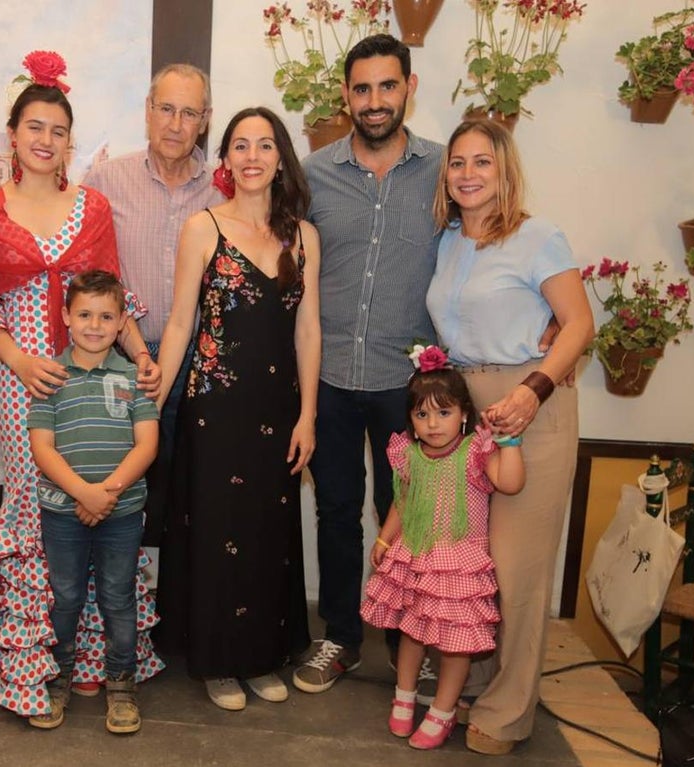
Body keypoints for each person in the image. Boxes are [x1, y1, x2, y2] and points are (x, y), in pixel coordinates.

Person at [0, 52, 163, 717]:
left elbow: (115, 293)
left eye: (58, 130)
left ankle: (99, 662)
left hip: (99, 378)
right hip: (28, 383)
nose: (46, 140)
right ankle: (33, 661)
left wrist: (141, 357)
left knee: (103, 503)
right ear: (12, 135)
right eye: (34, 127)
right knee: (38, 509)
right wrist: (17, 359)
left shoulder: (93, 206)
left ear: (69, 140)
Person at [426, 119, 594, 755]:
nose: (468, 174)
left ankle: (508, 711)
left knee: (519, 571)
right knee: (476, 564)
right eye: (458, 163)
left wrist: (533, 390)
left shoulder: (539, 236)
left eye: (482, 163)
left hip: (534, 410)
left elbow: (578, 325)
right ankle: (484, 681)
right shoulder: (446, 243)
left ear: (505, 171)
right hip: (469, 414)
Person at [156, 106, 320, 711]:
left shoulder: (304, 236)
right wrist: (153, 400)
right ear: (225, 160)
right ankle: (219, 662)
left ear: (281, 158)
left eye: (265, 145)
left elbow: (309, 331)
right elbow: (179, 323)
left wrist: (308, 416)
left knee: (267, 532)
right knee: (218, 530)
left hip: (279, 410)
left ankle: (260, 656)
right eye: (240, 146)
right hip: (214, 408)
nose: (252, 156)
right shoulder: (203, 228)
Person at [295, 33, 443, 697]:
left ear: (409, 88)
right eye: (362, 88)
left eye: (388, 86)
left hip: (408, 387)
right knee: (335, 509)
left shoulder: (445, 171)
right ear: (346, 96)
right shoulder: (313, 174)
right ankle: (341, 637)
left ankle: (412, 640)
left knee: (407, 513)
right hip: (327, 377)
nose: (375, 101)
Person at [83, 63, 224, 545]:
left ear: (205, 119)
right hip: (120, 358)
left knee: (190, 489)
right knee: (117, 486)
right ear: (147, 111)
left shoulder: (224, 191)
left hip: (201, 362)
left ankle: (178, 608)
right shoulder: (104, 180)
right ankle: (122, 602)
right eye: (166, 108)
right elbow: (89, 278)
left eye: (189, 113)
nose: (175, 124)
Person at [360, 347, 525, 750]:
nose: (433, 424)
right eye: (422, 415)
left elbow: (510, 484)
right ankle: (404, 695)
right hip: (416, 556)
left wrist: (511, 443)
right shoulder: (410, 455)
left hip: (458, 563)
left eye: (444, 412)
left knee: (455, 645)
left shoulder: (474, 452)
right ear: (411, 421)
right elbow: (403, 501)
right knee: (412, 633)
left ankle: (443, 710)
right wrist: (385, 537)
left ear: (464, 414)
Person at [26, 270, 160, 734]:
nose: (95, 325)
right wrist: (82, 493)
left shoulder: (135, 378)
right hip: (62, 512)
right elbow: (42, 448)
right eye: (84, 314)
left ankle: (121, 683)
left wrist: (107, 494)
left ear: (122, 320)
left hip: (120, 514)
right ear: (66, 317)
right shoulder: (50, 377)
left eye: (107, 316)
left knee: (117, 599)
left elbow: (147, 446)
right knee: (64, 597)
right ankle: (57, 675)